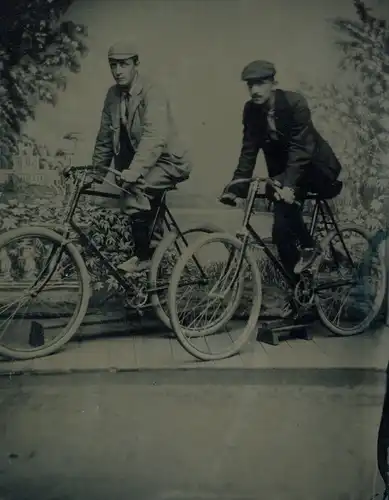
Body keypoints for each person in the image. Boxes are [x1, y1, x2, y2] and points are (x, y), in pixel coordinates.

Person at [220, 60, 342, 318]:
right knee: (280, 232)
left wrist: (287, 184)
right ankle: (301, 292)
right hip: (288, 174)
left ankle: (310, 247)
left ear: (273, 83)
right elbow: (249, 149)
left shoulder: (295, 104)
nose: (255, 89)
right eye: (251, 84)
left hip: (317, 169)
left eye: (261, 83)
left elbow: (301, 149)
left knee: (284, 201)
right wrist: (235, 187)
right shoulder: (251, 110)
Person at [92, 41, 192, 274]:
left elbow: (154, 136)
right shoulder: (112, 95)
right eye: (113, 65)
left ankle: (143, 259)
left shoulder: (152, 91)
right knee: (148, 217)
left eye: (124, 64)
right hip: (144, 164)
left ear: (136, 64)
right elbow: (105, 137)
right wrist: (96, 173)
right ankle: (158, 276)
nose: (118, 71)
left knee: (134, 191)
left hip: (169, 161)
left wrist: (135, 170)